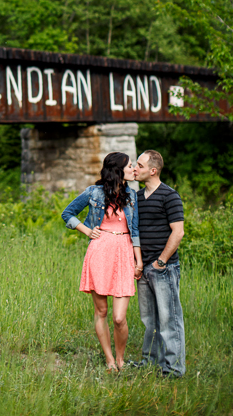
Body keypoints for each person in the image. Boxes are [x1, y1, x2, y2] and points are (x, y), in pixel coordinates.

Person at [61, 152, 142, 371]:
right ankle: (110, 361)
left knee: (118, 317)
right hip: (99, 252)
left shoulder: (132, 195)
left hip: (124, 252)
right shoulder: (94, 192)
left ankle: (121, 358)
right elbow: (67, 213)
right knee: (102, 312)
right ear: (118, 169)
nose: (134, 168)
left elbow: (134, 231)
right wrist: (87, 230)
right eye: (130, 165)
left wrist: (139, 261)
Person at [134, 150, 185, 377]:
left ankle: (174, 369)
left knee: (169, 319)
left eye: (140, 165)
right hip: (143, 268)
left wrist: (161, 262)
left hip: (164, 268)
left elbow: (178, 232)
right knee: (149, 320)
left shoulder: (169, 196)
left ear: (153, 171)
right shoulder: (136, 198)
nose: (135, 169)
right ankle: (149, 363)